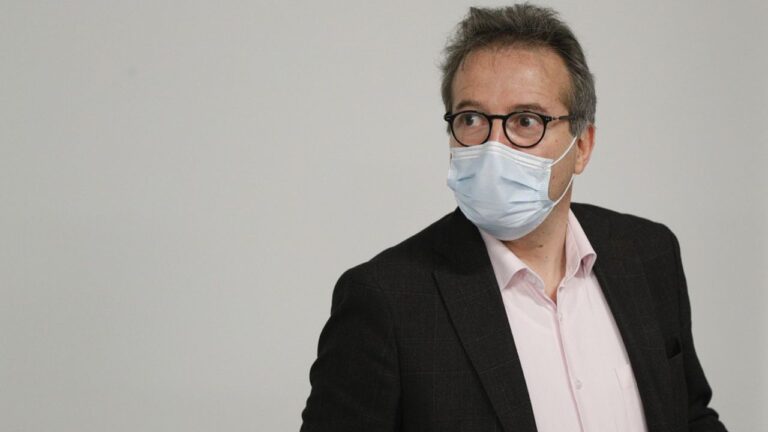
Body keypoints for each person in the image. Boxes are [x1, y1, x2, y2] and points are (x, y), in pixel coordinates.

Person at [300, 4, 727, 432]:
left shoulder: (648, 253)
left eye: (526, 121)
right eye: (471, 119)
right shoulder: (386, 300)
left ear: (582, 146)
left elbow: (689, 415)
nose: (494, 146)